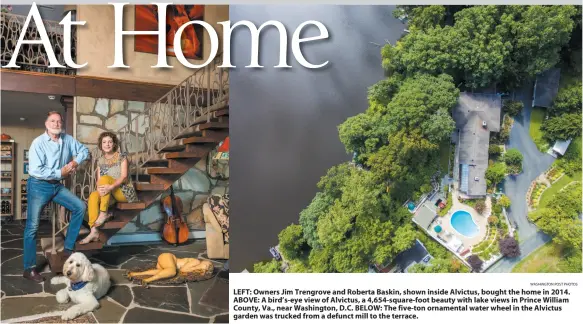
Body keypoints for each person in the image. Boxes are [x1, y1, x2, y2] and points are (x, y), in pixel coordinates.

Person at [24, 111, 89, 282]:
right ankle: (29, 268)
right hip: (38, 185)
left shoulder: (67, 139)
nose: (56, 123)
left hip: (56, 186)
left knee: (79, 206)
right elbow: (36, 170)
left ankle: (68, 248)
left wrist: (74, 162)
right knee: (32, 227)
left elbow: (84, 150)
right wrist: (60, 171)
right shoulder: (37, 143)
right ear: (46, 124)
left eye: (59, 121)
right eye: (53, 121)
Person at [81, 132, 138, 244]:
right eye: (104, 142)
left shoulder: (122, 157)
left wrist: (110, 186)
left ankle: (103, 213)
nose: (107, 144)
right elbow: (99, 180)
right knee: (93, 196)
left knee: (106, 178)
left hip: (124, 192)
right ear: (101, 144)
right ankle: (93, 230)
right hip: (109, 193)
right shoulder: (100, 161)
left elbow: (124, 176)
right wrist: (100, 190)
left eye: (110, 142)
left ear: (114, 144)